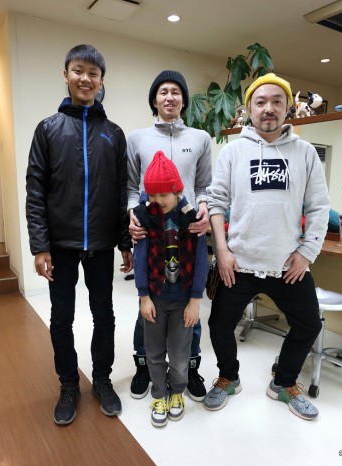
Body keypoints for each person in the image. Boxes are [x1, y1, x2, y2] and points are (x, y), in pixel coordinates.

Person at [205, 73, 330, 420]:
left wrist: (306, 253)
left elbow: (319, 207)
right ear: (250, 109)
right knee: (219, 325)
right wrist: (222, 252)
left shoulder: (305, 153)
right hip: (239, 263)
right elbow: (216, 203)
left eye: (277, 101)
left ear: (288, 107)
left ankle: (284, 382)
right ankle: (228, 377)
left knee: (308, 324)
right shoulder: (233, 151)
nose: (269, 108)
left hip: (286, 264)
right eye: (260, 102)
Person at [26, 44, 133, 426]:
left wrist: (125, 242)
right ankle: (68, 384)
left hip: (101, 246)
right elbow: (35, 190)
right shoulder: (48, 129)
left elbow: (121, 191)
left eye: (93, 73)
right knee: (61, 318)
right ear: (66, 74)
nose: (85, 78)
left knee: (104, 315)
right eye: (78, 70)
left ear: (101, 81)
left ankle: (101, 379)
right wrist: (40, 246)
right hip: (61, 245)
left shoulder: (113, 134)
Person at [126, 70, 212, 401]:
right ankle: (145, 366)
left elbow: (204, 185)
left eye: (176, 91)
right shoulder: (138, 138)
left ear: (183, 100)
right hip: (152, 226)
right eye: (163, 91)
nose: (169, 97)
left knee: (188, 303)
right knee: (150, 301)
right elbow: (130, 186)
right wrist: (133, 215)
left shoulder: (200, 138)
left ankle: (188, 368)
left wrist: (203, 207)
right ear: (154, 99)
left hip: (188, 227)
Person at [132, 150, 209, 428]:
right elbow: (140, 258)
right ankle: (158, 394)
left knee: (179, 355)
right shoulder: (144, 217)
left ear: (177, 190)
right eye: (152, 195)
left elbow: (201, 261)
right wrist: (143, 296)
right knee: (153, 352)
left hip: (184, 301)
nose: (157, 201)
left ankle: (177, 391)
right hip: (155, 299)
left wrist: (195, 301)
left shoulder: (193, 219)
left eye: (164, 194)